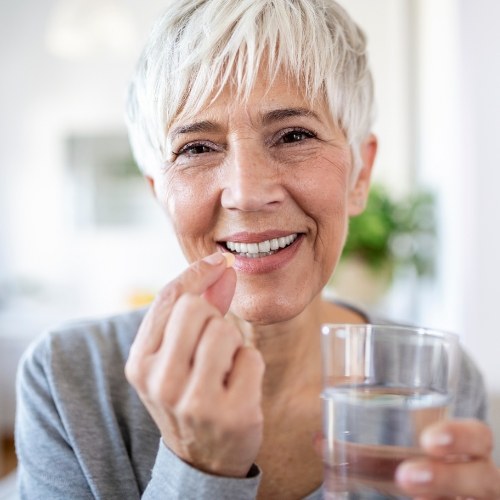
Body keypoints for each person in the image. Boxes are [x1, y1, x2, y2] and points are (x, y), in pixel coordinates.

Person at [15, 0, 500, 498]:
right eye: (197, 148)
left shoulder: (435, 377)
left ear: (360, 175)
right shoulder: (67, 380)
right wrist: (199, 468)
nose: (246, 192)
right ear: (160, 192)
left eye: (294, 135)